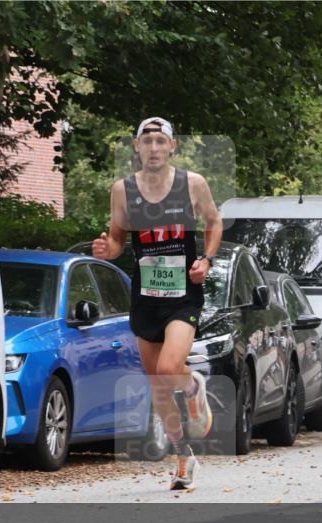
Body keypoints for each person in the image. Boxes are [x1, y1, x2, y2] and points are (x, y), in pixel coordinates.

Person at [91, 117, 223, 490]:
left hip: (183, 294)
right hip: (146, 296)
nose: (153, 147)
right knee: (159, 385)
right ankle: (184, 457)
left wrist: (207, 261)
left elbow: (214, 222)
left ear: (171, 146)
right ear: (136, 147)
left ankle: (194, 386)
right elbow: (118, 240)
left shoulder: (192, 184)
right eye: (146, 141)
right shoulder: (123, 190)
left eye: (159, 141)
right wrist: (108, 250)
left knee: (169, 368)